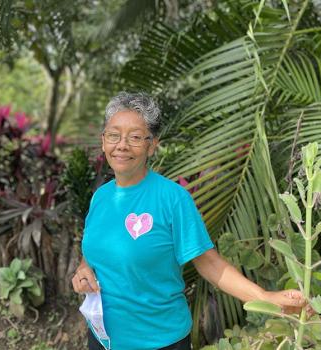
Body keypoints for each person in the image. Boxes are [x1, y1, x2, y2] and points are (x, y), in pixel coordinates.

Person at [71, 92, 305, 350]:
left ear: (152, 145)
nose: (122, 145)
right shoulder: (101, 197)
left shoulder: (172, 199)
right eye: (114, 135)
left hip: (160, 342)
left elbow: (210, 265)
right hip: (103, 339)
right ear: (103, 141)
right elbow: (91, 253)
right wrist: (84, 269)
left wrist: (265, 297)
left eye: (135, 137)